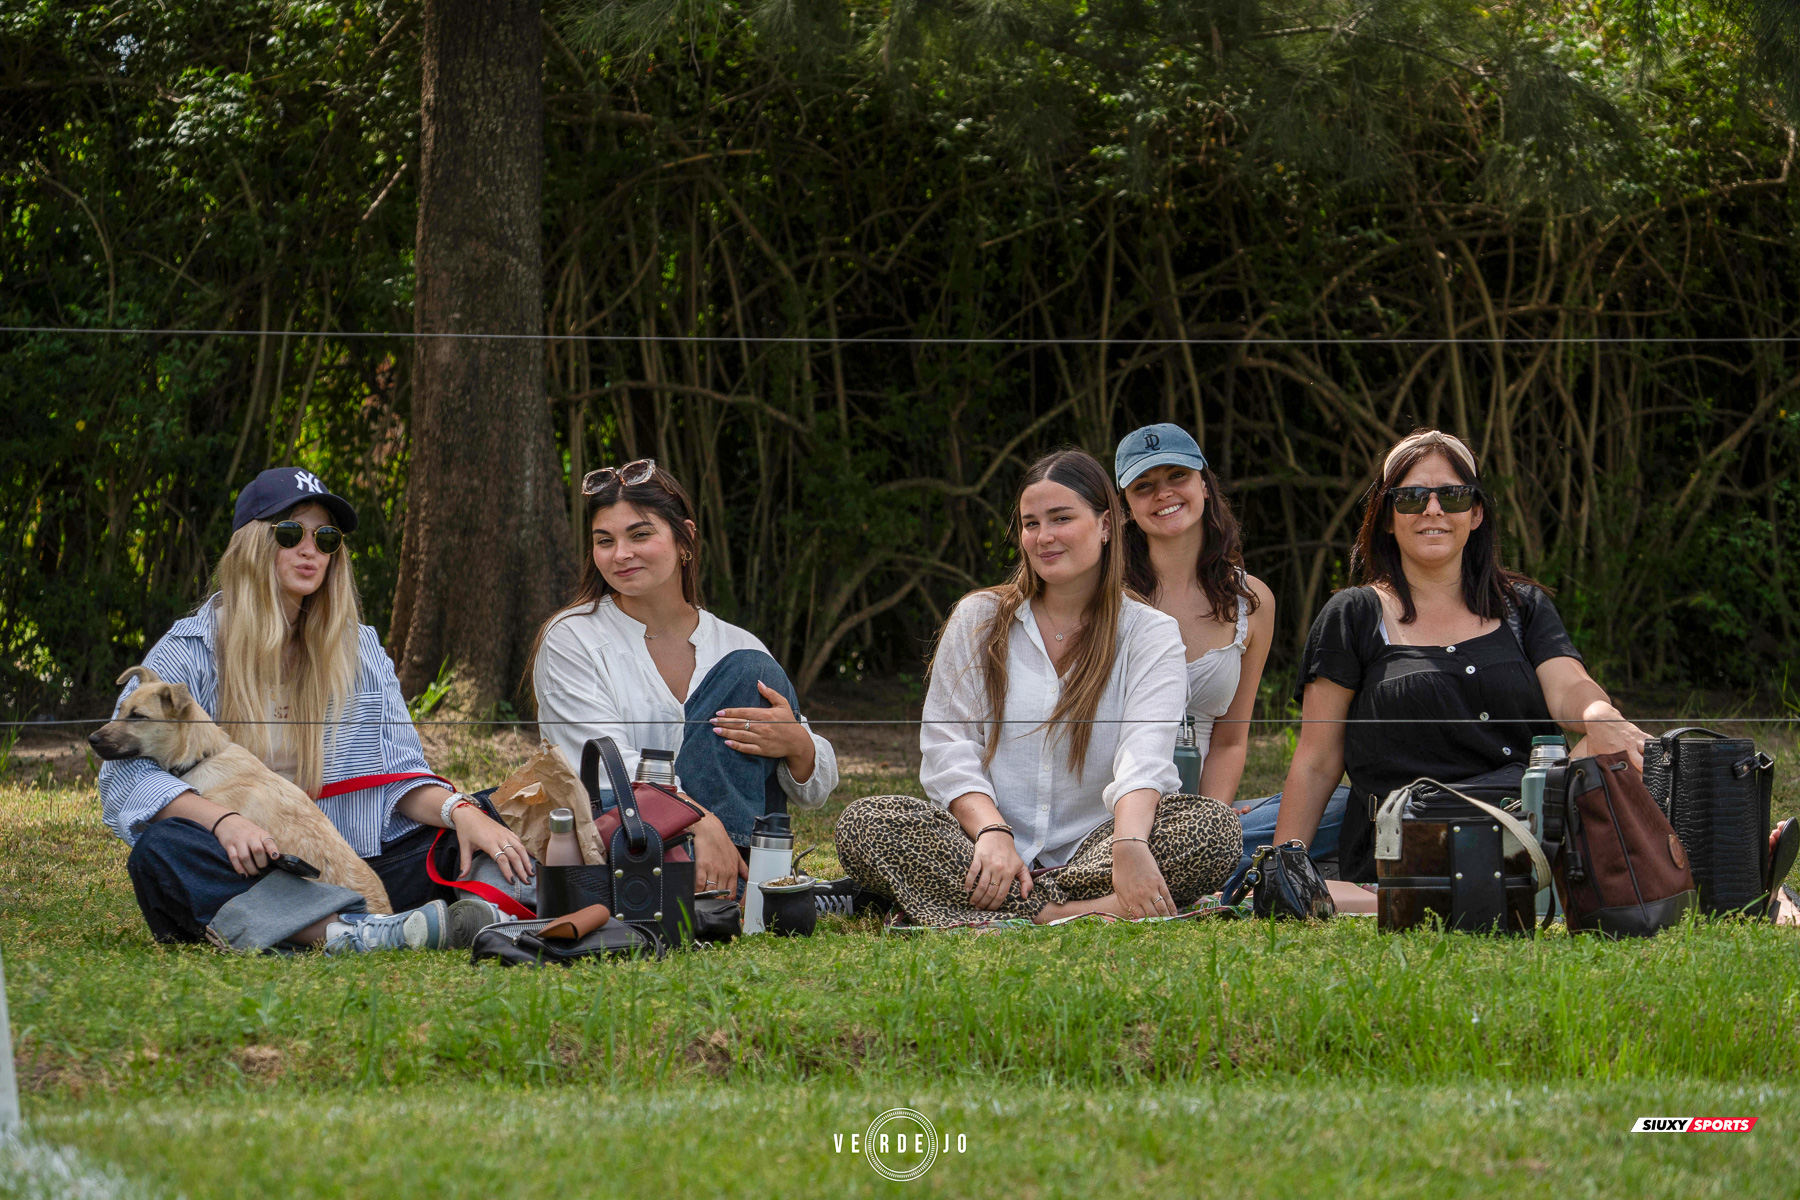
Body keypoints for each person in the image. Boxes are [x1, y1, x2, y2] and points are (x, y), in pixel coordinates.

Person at [99, 467, 523, 953]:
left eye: (325, 538)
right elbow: (125, 778)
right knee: (164, 851)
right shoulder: (188, 648)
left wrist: (459, 811)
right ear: (251, 545)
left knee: (491, 812)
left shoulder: (359, 648)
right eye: (289, 533)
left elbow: (401, 773)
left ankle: (458, 916)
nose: (310, 550)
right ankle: (351, 935)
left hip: (360, 862)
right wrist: (222, 822)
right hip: (256, 867)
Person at [834, 448, 1242, 927]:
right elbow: (949, 747)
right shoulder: (979, 619)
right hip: (984, 850)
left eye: (1061, 518)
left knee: (1214, 830)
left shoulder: (1148, 632)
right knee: (865, 822)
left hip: (1097, 849)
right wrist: (992, 832)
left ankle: (1011, 909)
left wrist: (1129, 845)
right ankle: (1081, 911)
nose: (1044, 537)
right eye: (1031, 524)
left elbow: (1145, 756)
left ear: (1106, 524)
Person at [1272, 429, 1651, 891]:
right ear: (1388, 518)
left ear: (1475, 514)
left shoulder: (1521, 607)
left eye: (1451, 496)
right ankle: (1403, 894)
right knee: (1331, 888)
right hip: (1405, 842)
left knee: (1606, 748)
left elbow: (1568, 683)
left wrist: (1599, 716)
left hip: (1522, 834)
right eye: (1411, 497)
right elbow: (1317, 760)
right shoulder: (1354, 614)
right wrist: (1283, 867)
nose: (1433, 510)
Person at [531, 459, 838, 899]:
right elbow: (603, 766)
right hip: (634, 842)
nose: (620, 554)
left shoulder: (735, 644)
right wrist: (700, 819)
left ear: (685, 538)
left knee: (749, 670)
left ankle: (722, 885)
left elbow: (815, 791)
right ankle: (726, 890)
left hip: (740, 840)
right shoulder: (572, 637)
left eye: (640, 535)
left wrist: (797, 744)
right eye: (605, 541)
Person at [1113, 424, 1352, 884]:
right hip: (1113, 810)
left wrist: (1212, 822)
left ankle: (1207, 863)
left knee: (1342, 806)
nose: (1163, 494)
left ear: (1203, 483)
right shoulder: (1105, 599)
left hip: (1199, 814)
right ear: (1126, 506)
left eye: (1176, 476)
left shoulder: (1252, 603)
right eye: (1144, 486)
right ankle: (1153, 865)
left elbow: (1229, 740)